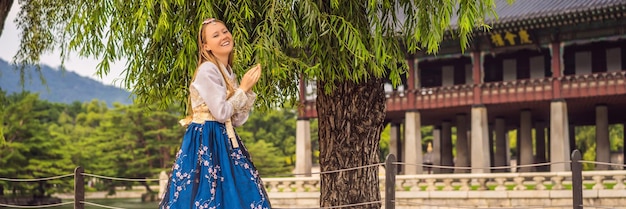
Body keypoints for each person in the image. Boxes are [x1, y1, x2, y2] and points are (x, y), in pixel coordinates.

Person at [159, 18, 271, 209]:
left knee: (239, 188)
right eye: (216, 35)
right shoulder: (207, 70)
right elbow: (221, 113)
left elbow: (236, 119)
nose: (224, 36)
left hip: (223, 137)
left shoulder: (228, 72)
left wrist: (247, 91)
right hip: (206, 137)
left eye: (225, 31)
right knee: (209, 193)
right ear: (206, 47)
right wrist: (242, 90)